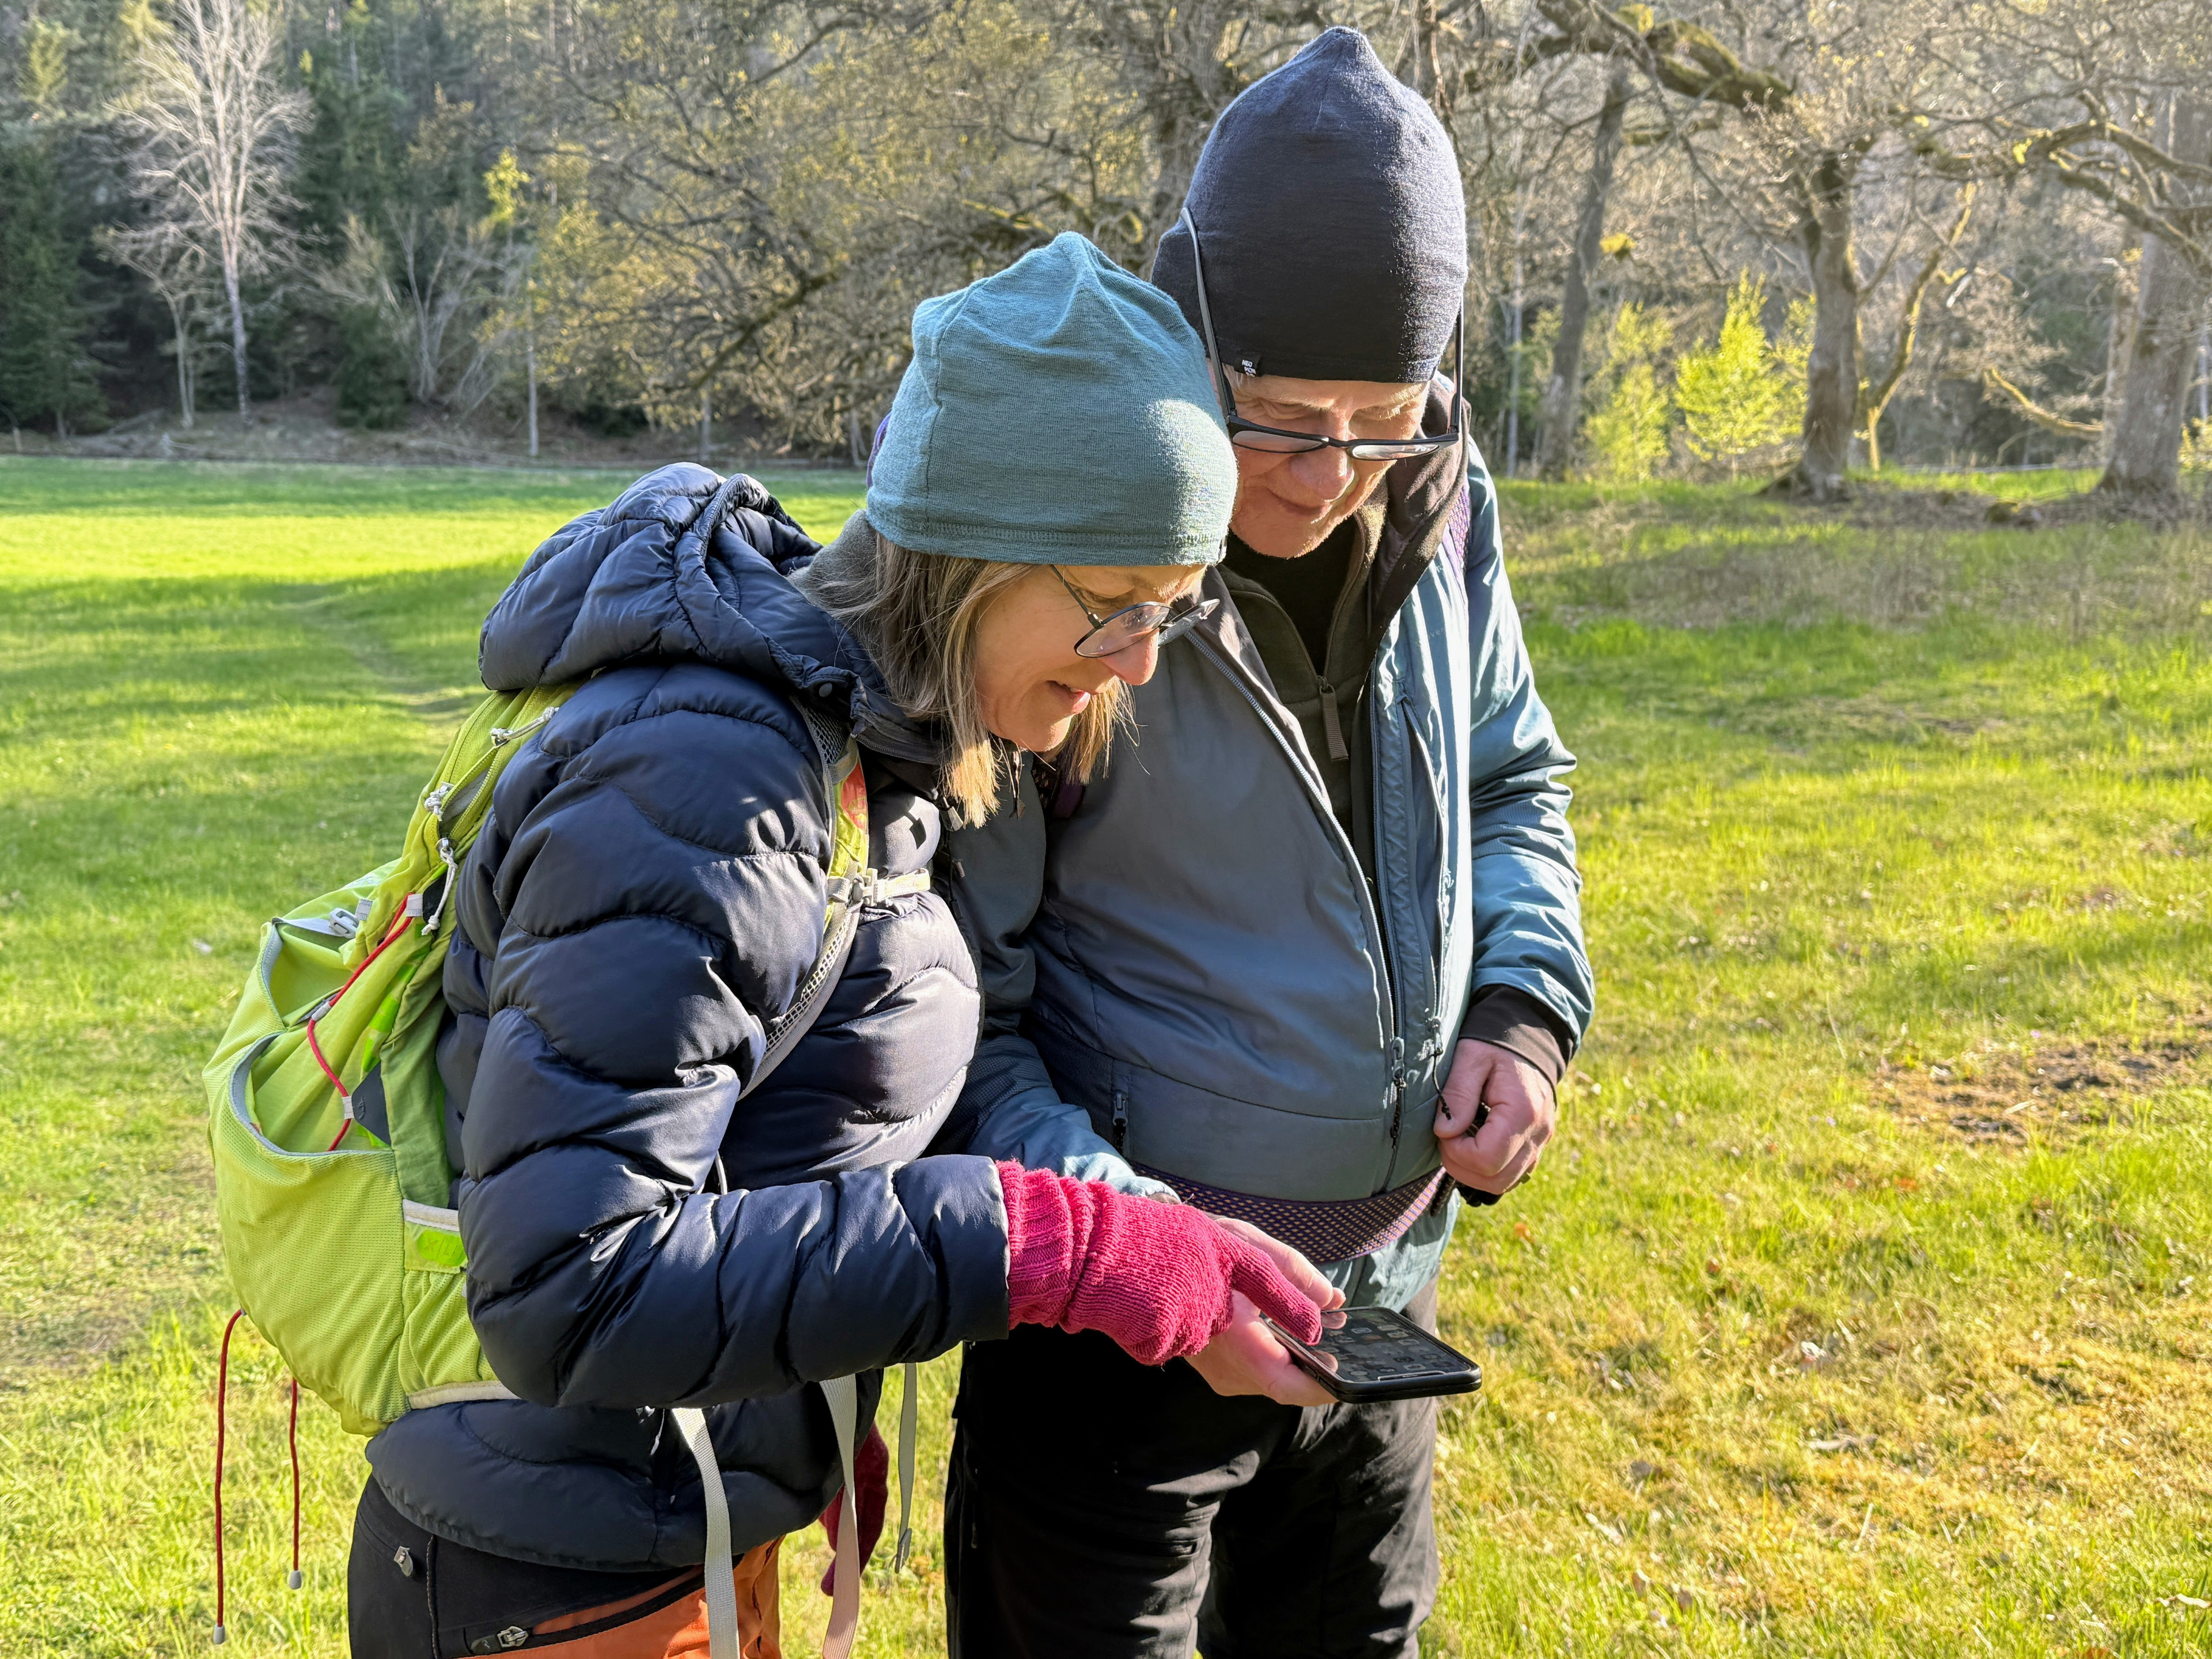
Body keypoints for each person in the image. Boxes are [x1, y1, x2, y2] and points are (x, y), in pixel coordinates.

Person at [347, 233, 1336, 1659]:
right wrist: (1048, 1243)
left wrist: (814, 1398)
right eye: (1117, 601)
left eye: (1173, 614)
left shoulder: (867, 757)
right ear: (978, 542)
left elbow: (775, 1135)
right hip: (558, 1582)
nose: (1137, 662)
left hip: (679, 1524)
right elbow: (569, 1287)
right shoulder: (703, 783)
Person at [936, 29, 1594, 1659]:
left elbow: (1513, 782)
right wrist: (1149, 1262)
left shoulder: (1444, 507)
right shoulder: (1070, 563)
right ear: (1195, 337)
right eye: (1284, 417)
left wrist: (1524, 1014)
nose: (1328, 475)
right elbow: (961, 1014)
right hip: (1112, 1352)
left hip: (1379, 1331)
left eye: (1382, 418)